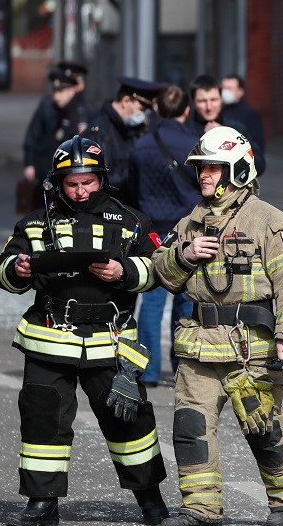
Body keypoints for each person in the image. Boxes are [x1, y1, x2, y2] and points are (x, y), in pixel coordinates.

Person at [0, 135, 168, 526]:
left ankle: (151, 499)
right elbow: (4, 270)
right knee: (43, 417)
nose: (81, 190)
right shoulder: (35, 223)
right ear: (58, 182)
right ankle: (42, 503)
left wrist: (123, 272)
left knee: (130, 420)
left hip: (110, 340)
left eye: (88, 182)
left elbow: (156, 272)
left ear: (101, 179)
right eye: (72, 183)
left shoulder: (130, 221)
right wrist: (18, 270)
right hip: (50, 337)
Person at [152, 126, 283, 526]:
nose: (204, 175)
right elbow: (161, 275)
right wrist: (184, 256)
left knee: (263, 429)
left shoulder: (270, 221)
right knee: (190, 427)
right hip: (199, 347)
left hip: (250, 349)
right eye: (201, 167)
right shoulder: (190, 223)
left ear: (237, 170)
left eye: (213, 167)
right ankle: (201, 509)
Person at [128, 85, 202, 386]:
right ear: (187, 110)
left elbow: (132, 189)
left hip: (153, 233)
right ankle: (181, 364)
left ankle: (148, 369)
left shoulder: (141, 146)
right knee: (186, 301)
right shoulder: (194, 145)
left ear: (157, 111)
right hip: (187, 232)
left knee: (152, 301)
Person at [87, 77, 162, 207]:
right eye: (141, 109)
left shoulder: (129, 129)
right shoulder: (102, 132)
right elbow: (102, 180)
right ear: (126, 101)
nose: (143, 116)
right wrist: (137, 168)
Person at [22, 67, 89, 184]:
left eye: (61, 91)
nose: (56, 96)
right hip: (45, 171)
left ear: (72, 90)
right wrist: (29, 163)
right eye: (55, 91)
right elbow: (33, 135)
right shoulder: (47, 107)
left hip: (70, 175)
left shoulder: (81, 112)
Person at [189, 74, 267, 175]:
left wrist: (229, 140)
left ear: (221, 99)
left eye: (214, 100)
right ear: (193, 102)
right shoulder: (185, 129)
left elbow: (259, 165)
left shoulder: (236, 128)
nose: (209, 107)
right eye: (202, 101)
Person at [220, 74, 268, 162]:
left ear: (240, 91)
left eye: (229, 88)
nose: (225, 92)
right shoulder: (221, 111)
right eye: (223, 88)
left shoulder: (250, 114)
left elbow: (257, 146)